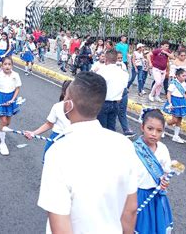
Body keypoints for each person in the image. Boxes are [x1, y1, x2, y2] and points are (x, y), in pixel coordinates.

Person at [38, 72, 139, 233]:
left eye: (66, 97)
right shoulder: (124, 145)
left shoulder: (58, 152)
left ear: (68, 105)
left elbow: (60, 223)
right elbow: (131, 209)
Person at [134, 109, 173, 234]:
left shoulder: (163, 149)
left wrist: (164, 181)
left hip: (155, 195)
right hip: (136, 195)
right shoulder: (133, 149)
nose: (154, 134)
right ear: (142, 127)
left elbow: (166, 171)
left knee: (153, 227)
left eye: (159, 131)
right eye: (150, 129)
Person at [24, 80, 71, 162]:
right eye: (71, 92)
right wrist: (33, 133)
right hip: (56, 138)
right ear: (64, 93)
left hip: (72, 140)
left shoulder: (81, 109)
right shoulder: (57, 107)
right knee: (50, 162)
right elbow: (49, 124)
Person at [96, 49, 128, 131]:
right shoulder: (123, 73)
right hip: (115, 103)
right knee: (111, 129)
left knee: (101, 129)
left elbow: (96, 87)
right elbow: (124, 87)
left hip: (104, 102)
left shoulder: (102, 71)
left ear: (106, 59)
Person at [163, 69, 186, 144]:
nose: (185, 77)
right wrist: (170, 103)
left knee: (179, 119)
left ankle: (176, 136)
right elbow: (169, 93)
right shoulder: (173, 83)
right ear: (177, 76)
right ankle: (162, 127)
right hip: (174, 101)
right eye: (183, 76)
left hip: (181, 101)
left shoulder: (184, 83)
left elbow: (183, 94)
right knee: (174, 120)